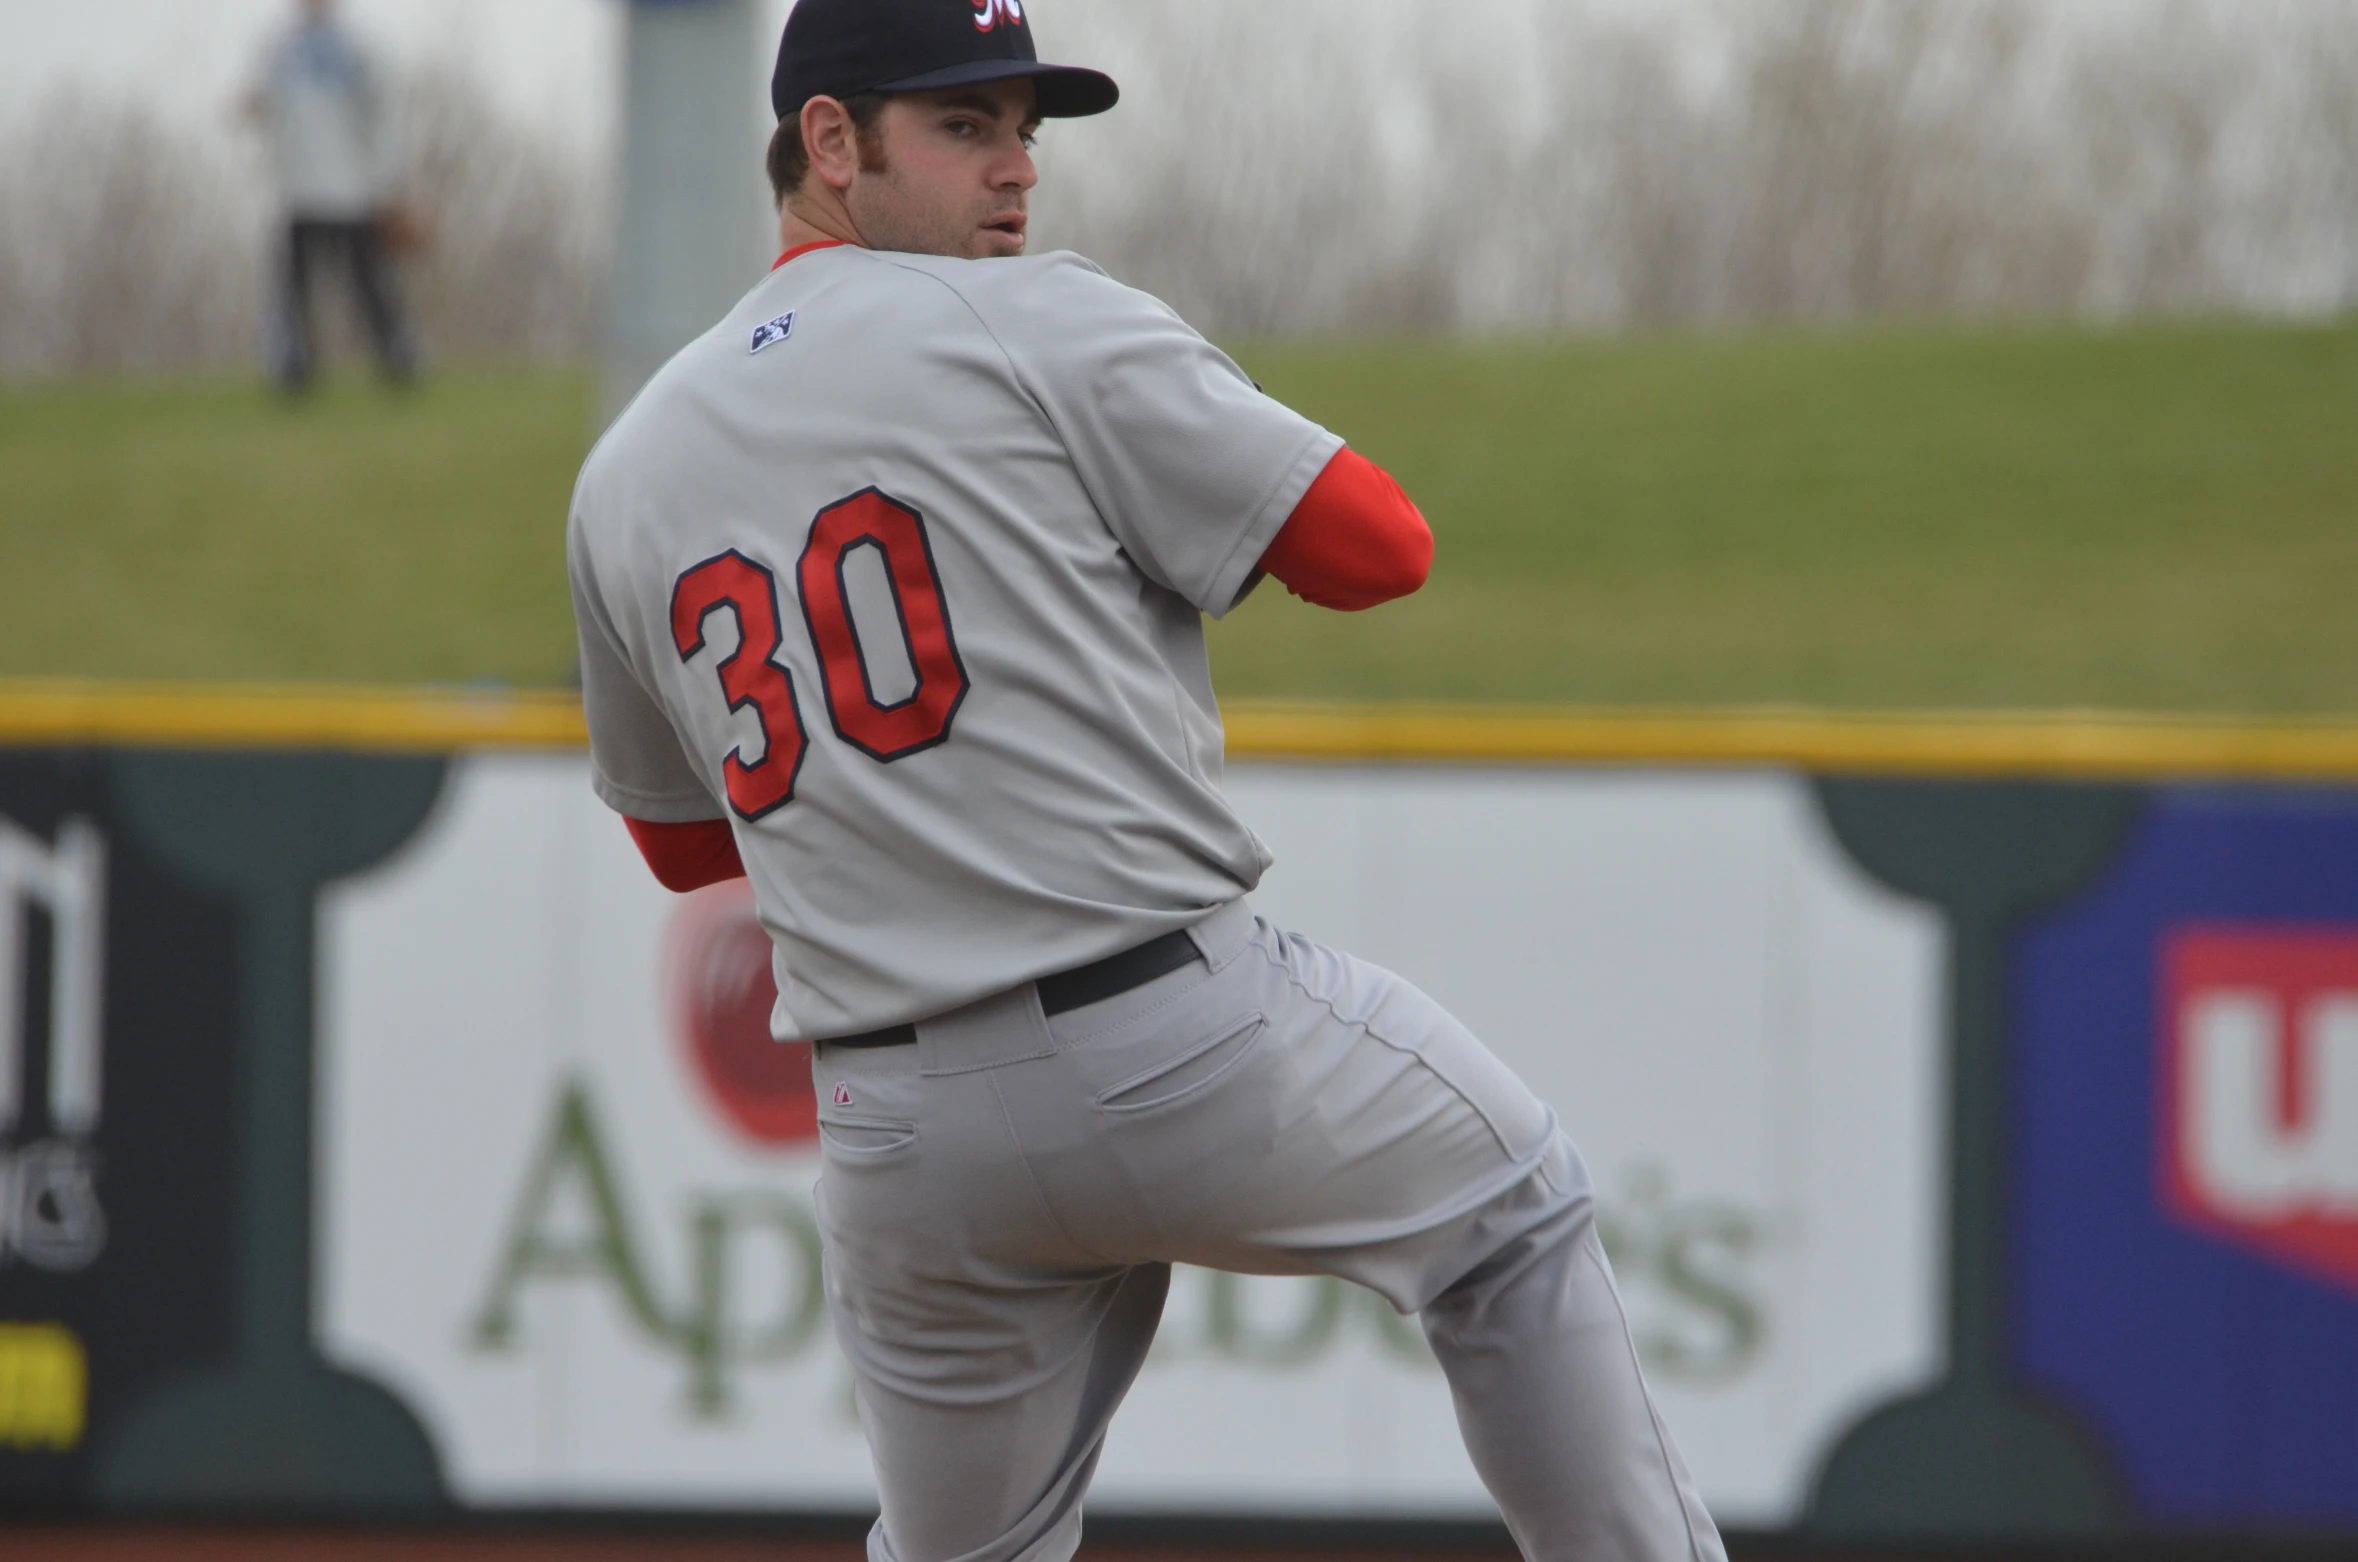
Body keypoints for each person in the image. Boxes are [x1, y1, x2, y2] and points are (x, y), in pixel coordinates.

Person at [566, 2, 1729, 1558]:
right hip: (1176, 1042)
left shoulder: (626, 470)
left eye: (1025, 132)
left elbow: (671, 848)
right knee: (1508, 1210)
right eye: (963, 126)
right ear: (829, 144)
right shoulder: (1038, 319)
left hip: (894, 1133)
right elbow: (1382, 549)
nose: (1018, 172)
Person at [241, 0, 418, 392]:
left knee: (371, 285)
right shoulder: (278, 45)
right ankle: (292, 367)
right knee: (293, 290)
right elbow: (262, 104)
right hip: (298, 191)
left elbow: (383, 113)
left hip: (353, 188)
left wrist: (388, 181)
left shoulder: (359, 45)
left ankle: (399, 360)